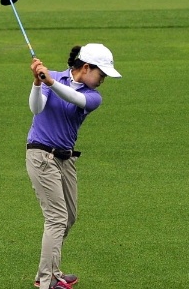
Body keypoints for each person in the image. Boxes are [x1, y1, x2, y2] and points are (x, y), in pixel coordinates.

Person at [25, 43, 121, 289]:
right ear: (86, 67)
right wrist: (38, 83)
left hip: (66, 159)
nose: (103, 81)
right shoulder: (52, 77)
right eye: (101, 74)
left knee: (69, 217)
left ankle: (49, 272)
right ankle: (47, 283)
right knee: (57, 218)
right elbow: (36, 108)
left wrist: (49, 83)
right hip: (41, 155)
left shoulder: (92, 97)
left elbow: (73, 97)